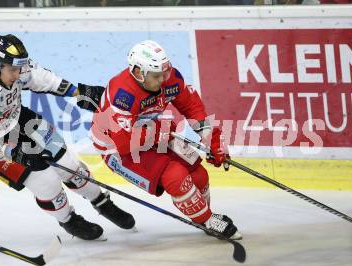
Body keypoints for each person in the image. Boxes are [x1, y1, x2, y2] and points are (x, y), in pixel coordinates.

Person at [0, 34, 135, 241]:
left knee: (69, 164)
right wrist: (15, 153)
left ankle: (102, 203)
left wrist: (79, 93)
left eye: (20, 69)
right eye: (13, 71)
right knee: (46, 181)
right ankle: (68, 220)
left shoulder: (13, 65)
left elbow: (43, 79)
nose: (18, 74)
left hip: (17, 116)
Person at [91, 40, 242, 239]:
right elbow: (125, 143)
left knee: (198, 175)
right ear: (138, 72)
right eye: (156, 76)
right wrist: (159, 132)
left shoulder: (168, 77)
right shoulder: (122, 95)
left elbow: (192, 107)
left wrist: (213, 142)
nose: (163, 79)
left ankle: (206, 215)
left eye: (165, 72)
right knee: (176, 176)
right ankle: (207, 220)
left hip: (153, 131)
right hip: (116, 148)